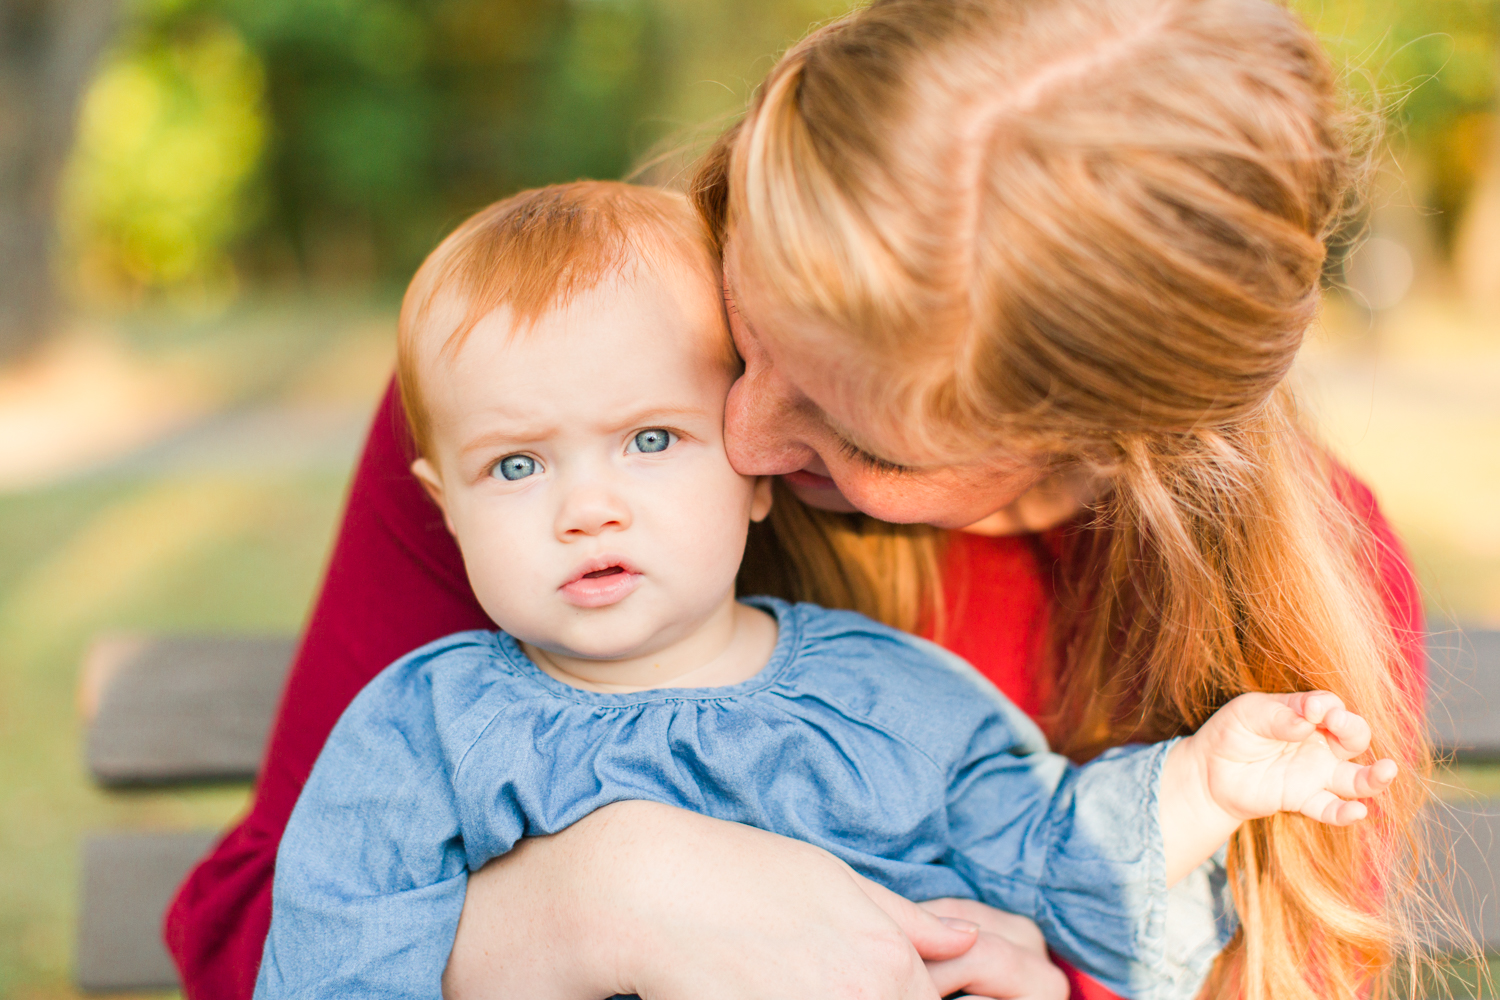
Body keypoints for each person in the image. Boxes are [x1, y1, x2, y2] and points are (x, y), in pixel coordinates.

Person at [166, 2, 1433, 999]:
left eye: (843, 427)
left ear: (1108, 451)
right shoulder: (545, 408)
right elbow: (262, 943)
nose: (743, 431)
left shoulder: (1299, 595)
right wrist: (612, 893)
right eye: (744, 330)